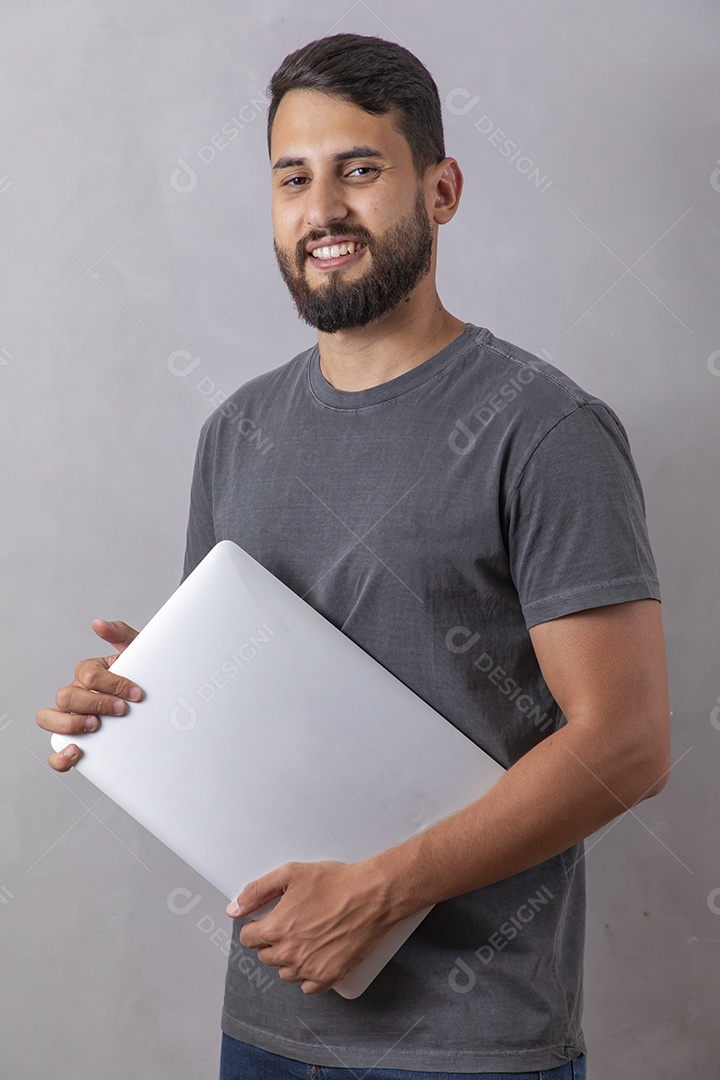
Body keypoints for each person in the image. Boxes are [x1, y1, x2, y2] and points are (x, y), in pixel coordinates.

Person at [37, 32, 671, 1080]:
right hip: (272, 1024)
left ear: (442, 189)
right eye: (294, 178)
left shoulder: (545, 429)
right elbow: (261, 703)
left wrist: (382, 890)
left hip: (476, 1046)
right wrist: (132, 711)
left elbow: (630, 743)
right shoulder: (236, 432)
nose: (321, 208)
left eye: (360, 170)